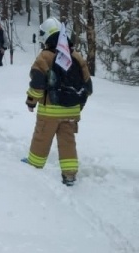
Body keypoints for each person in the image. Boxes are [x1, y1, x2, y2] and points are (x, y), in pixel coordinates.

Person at [23, 18, 92, 186]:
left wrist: (31, 101)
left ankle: (33, 167)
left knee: (41, 138)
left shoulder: (44, 57)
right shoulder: (76, 56)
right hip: (71, 111)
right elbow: (87, 86)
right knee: (67, 141)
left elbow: (37, 83)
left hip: (50, 112)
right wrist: (78, 106)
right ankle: (69, 175)